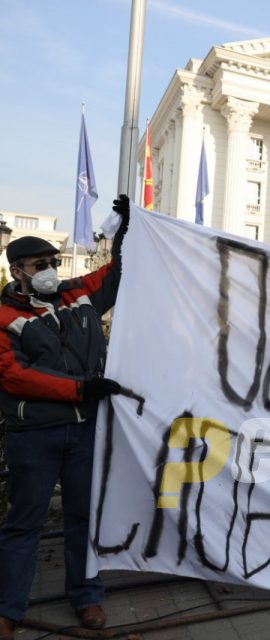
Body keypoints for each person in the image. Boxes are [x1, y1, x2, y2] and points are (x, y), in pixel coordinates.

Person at [0, 196, 130, 640]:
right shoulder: (3, 315)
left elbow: (115, 275)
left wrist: (125, 233)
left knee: (82, 516)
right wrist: (79, 390)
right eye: (41, 264)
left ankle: (87, 597)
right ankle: (9, 608)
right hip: (34, 434)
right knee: (26, 523)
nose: (51, 269)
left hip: (84, 430)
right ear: (18, 270)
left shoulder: (77, 293)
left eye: (54, 261)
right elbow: (14, 375)